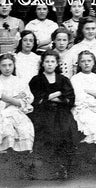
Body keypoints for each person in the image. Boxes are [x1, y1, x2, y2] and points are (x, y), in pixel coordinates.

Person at [28, 50, 79, 180]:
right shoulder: (36, 80)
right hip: (43, 112)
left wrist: (50, 97)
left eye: (52, 62)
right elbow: (35, 99)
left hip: (61, 112)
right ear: (42, 64)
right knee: (46, 131)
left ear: (57, 64)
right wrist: (57, 94)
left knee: (66, 130)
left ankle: (63, 166)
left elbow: (70, 99)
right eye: (47, 61)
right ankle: (48, 169)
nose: (50, 64)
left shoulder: (63, 79)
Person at [0, 53, 34, 153]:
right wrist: (16, 99)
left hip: (18, 113)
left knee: (25, 130)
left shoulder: (20, 82)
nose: (7, 68)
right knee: (5, 131)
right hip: (0, 115)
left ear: (13, 65)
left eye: (10, 65)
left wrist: (6, 98)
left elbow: (27, 99)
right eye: (4, 65)